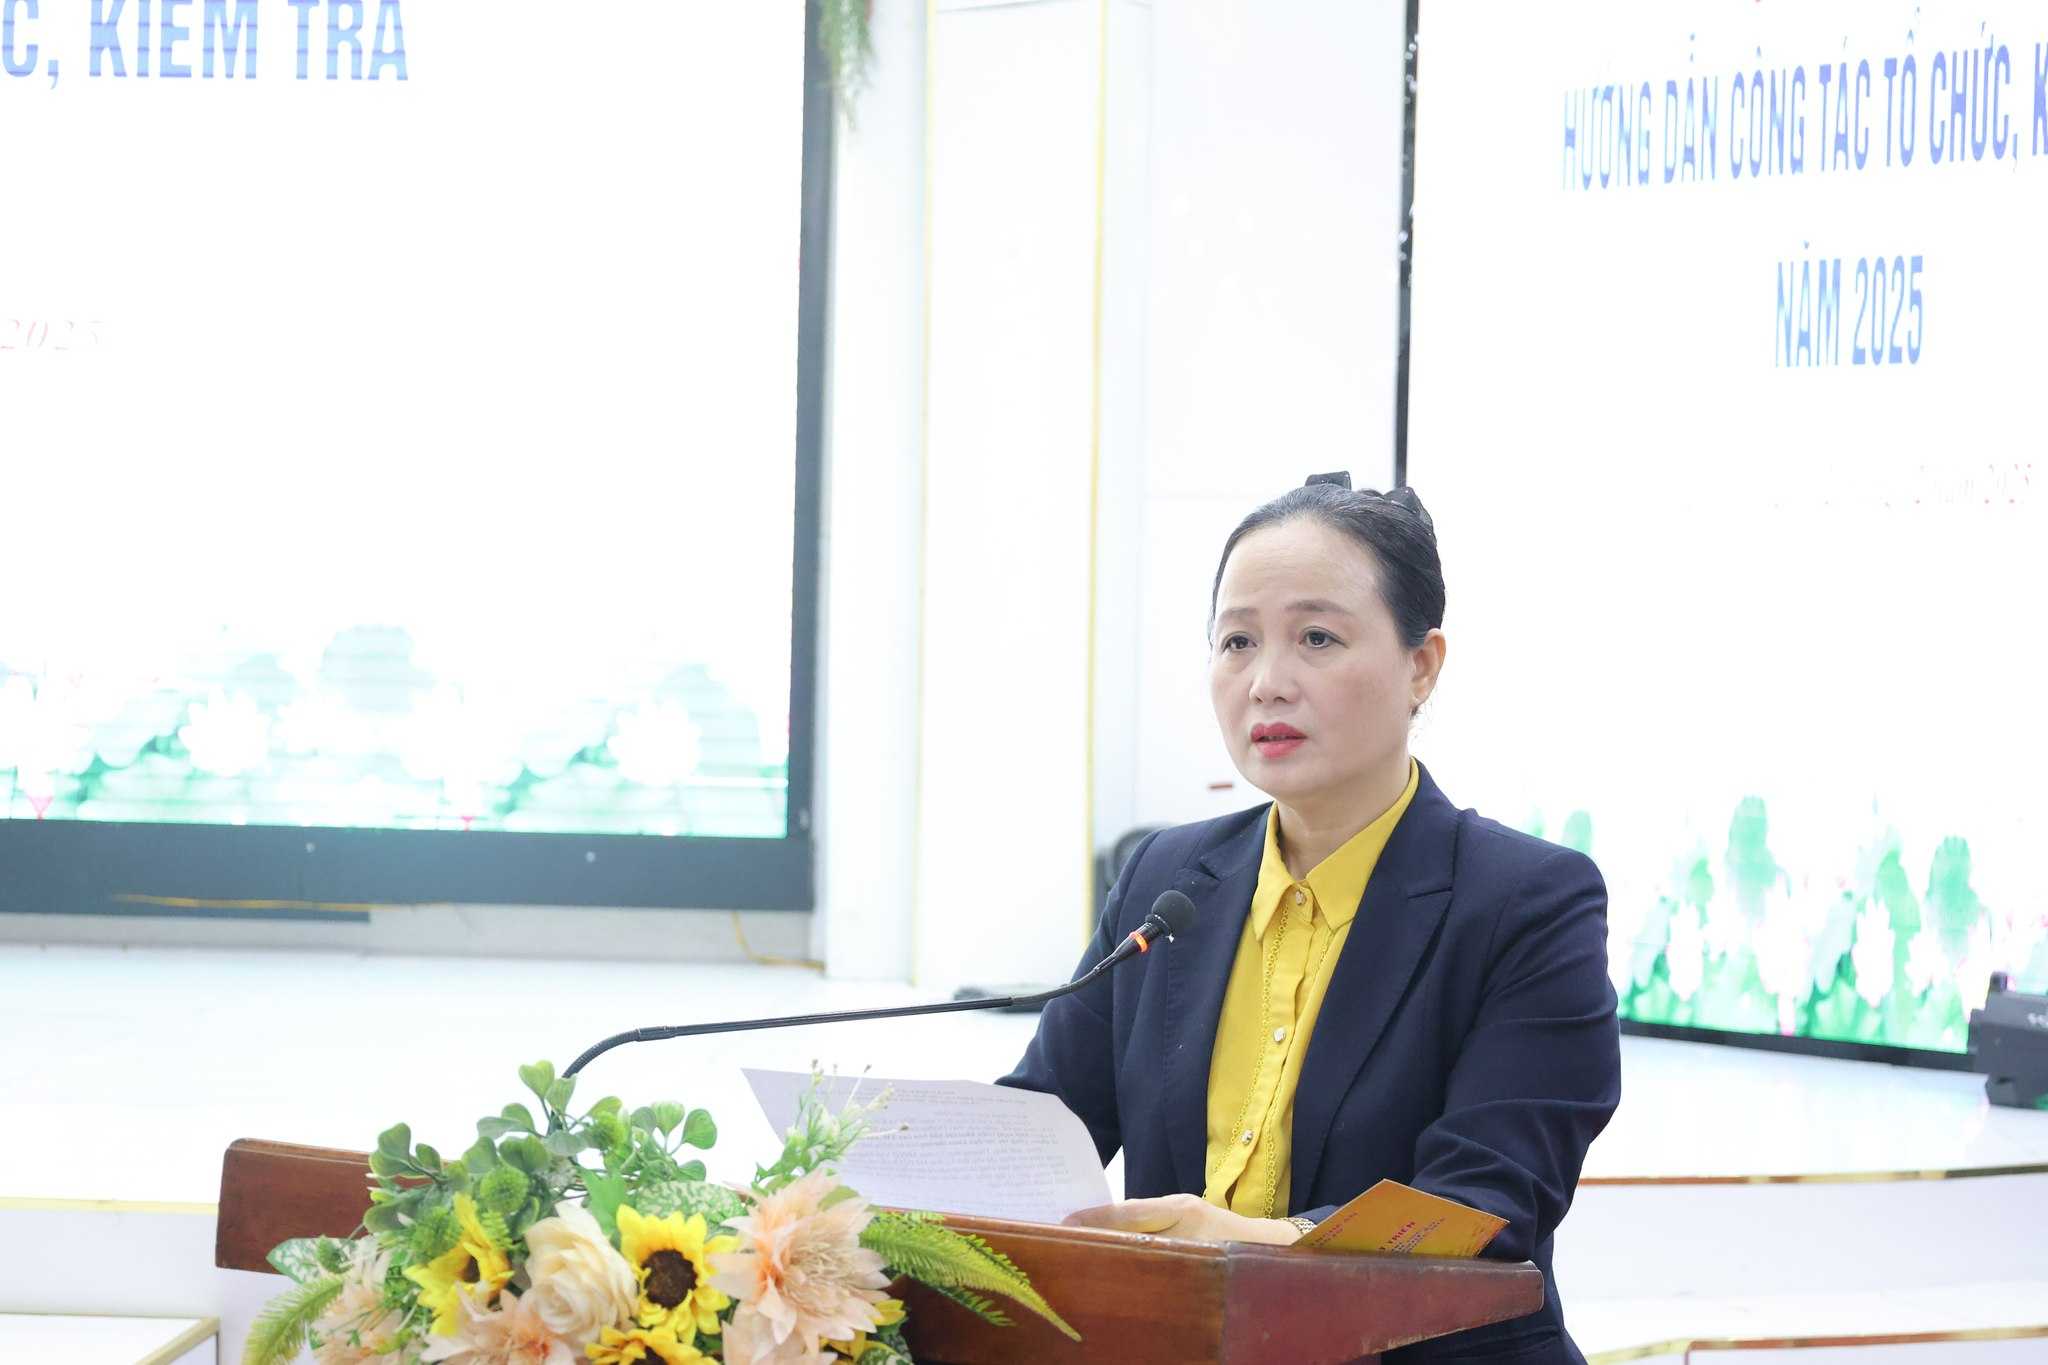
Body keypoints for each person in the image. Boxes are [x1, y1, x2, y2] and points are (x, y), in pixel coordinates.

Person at [1000, 474, 1620, 1364]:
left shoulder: (1527, 903)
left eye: (1317, 638)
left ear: (1423, 664)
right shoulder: (1167, 878)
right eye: (1237, 641)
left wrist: (1252, 1247)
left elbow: (1481, 1202)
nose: (1266, 683)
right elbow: (1043, 1126)